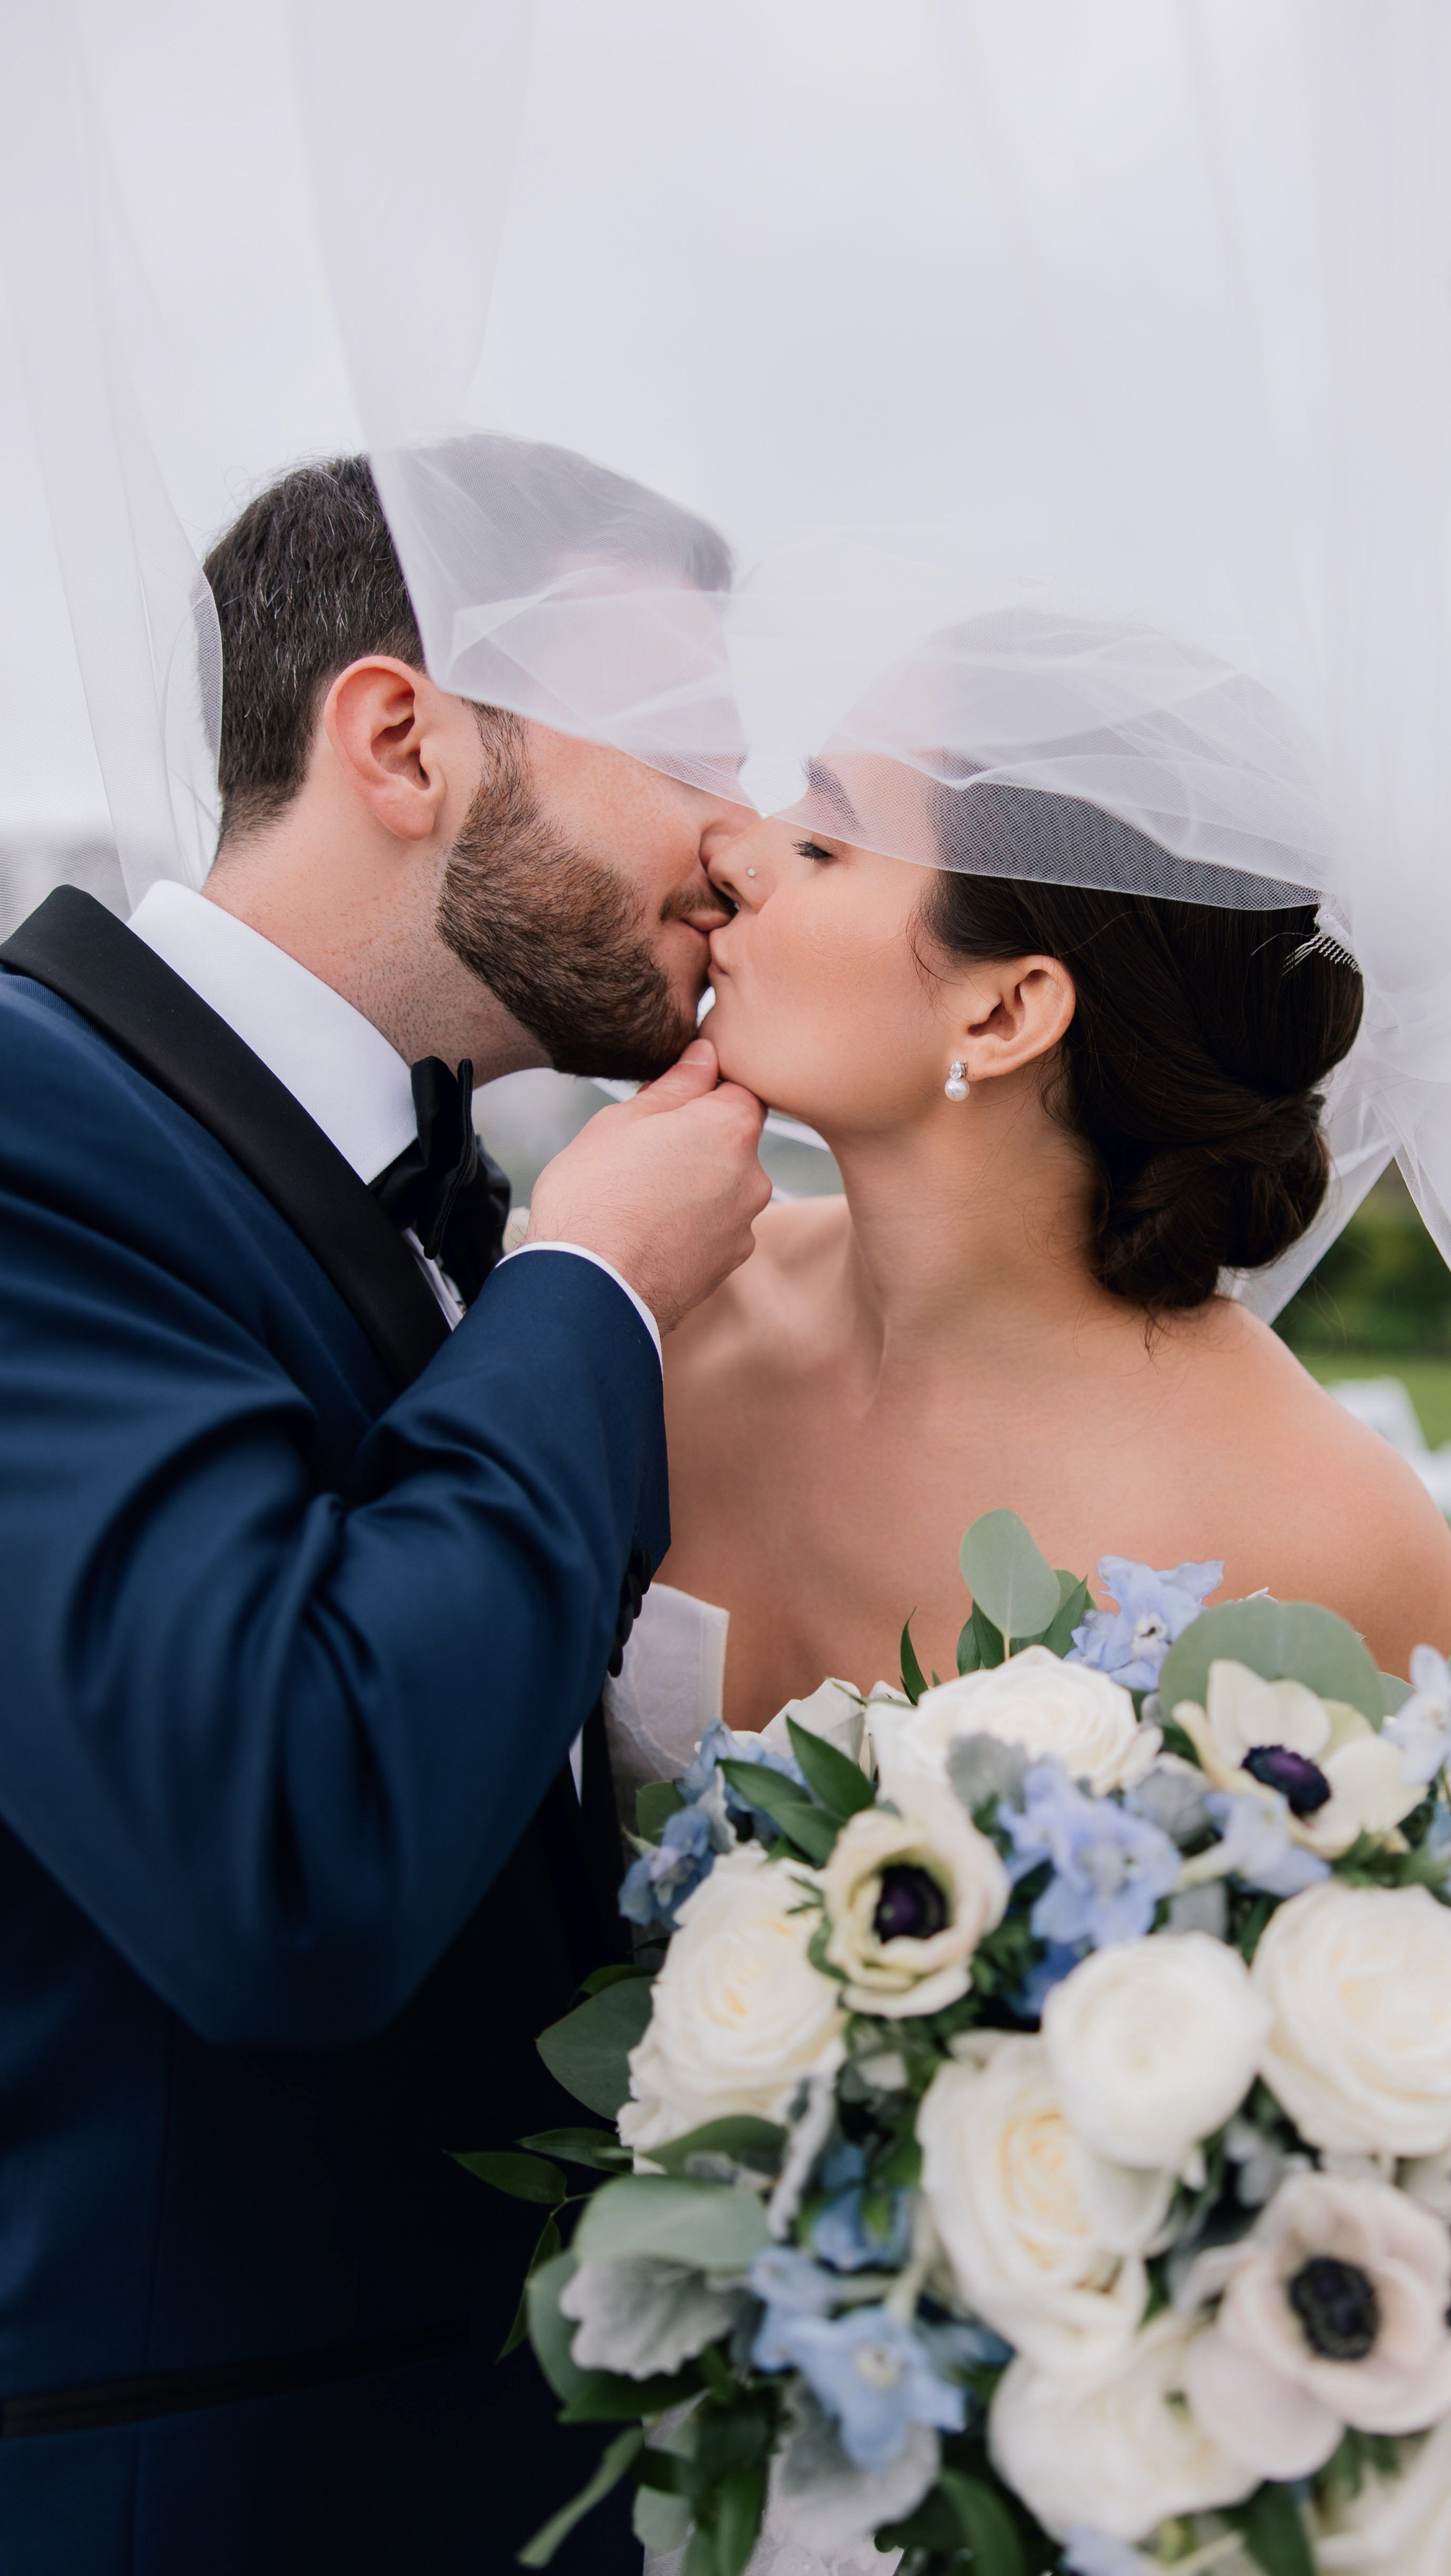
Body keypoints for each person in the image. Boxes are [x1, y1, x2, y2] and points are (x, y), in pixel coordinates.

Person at [0, 450, 769, 2576]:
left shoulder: (452, 1182)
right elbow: (285, 1838)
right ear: (402, 736)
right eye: (689, 749)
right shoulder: (24, 1136)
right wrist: (589, 1294)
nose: (742, 839)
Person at [605, 765, 1451, 1792]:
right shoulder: (652, 1309)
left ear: (1004, 1013)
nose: (731, 852)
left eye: (821, 845)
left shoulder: (1320, 1534)